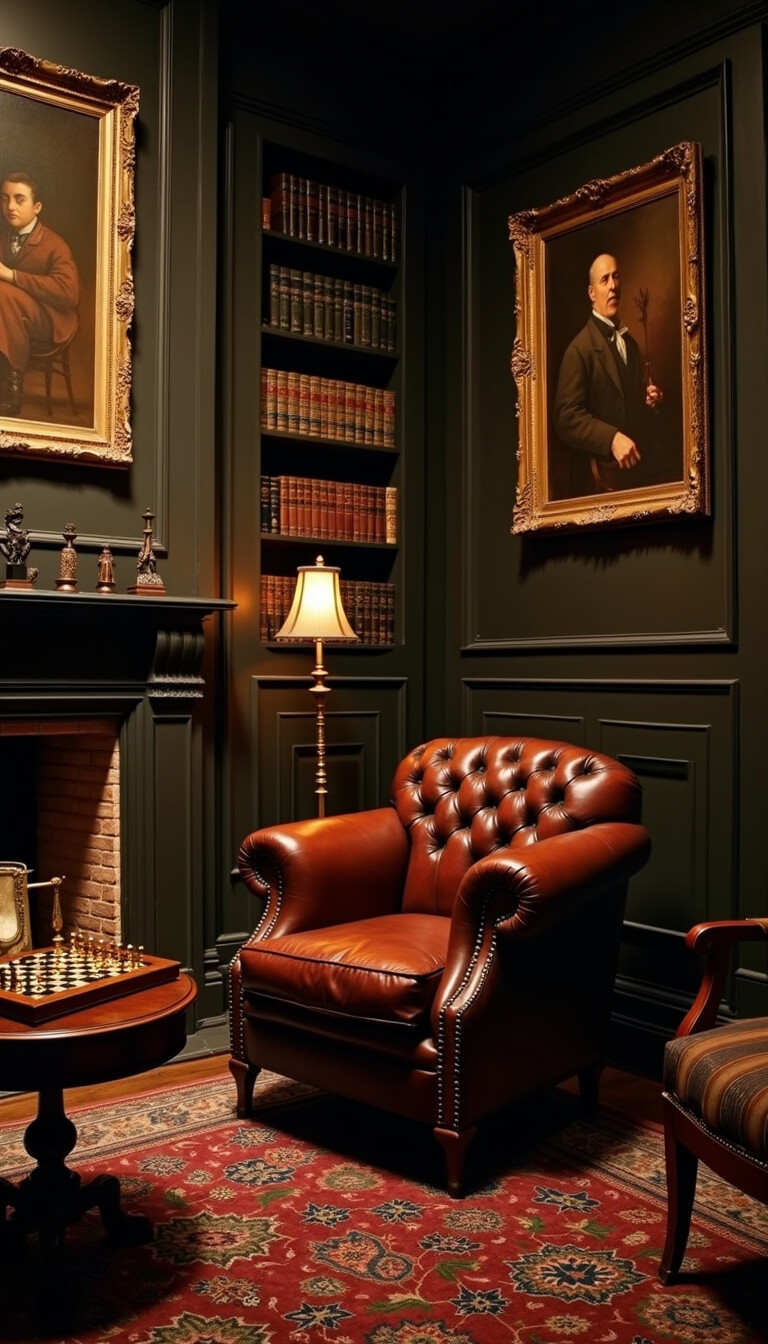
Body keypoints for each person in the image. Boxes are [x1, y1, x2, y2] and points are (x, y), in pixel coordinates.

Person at [552, 253, 663, 494]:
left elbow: (626, 407)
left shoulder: (630, 345)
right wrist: (611, 439)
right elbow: (566, 417)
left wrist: (649, 403)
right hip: (597, 485)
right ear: (592, 293)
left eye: (616, 277)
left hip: (635, 479)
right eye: (605, 280)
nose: (613, 286)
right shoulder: (579, 349)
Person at [0, 172, 79, 416]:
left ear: (37, 207)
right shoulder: (4, 239)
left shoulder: (54, 244)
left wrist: (13, 276)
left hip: (51, 320)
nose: (10, 206)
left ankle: (13, 386)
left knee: (2, 291)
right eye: (5, 198)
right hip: (12, 315)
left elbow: (69, 294)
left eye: (19, 199)